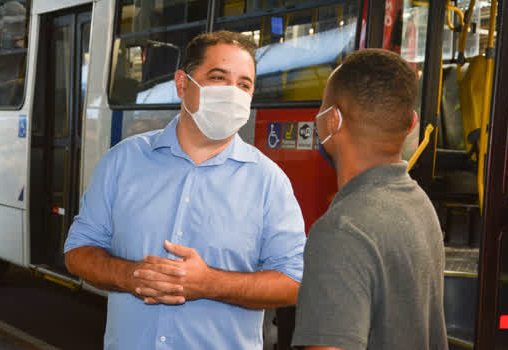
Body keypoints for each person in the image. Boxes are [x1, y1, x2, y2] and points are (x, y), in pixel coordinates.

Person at [64, 31, 306, 350]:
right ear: (182, 84)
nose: (232, 93)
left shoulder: (268, 181)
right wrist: (129, 275)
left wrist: (209, 283)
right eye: (218, 77)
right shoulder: (123, 162)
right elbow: (78, 252)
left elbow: (295, 282)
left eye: (244, 84)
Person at [292, 49, 448, 350]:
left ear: (333, 120)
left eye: (322, 106)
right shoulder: (420, 204)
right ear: (412, 123)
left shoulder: (341, 231)